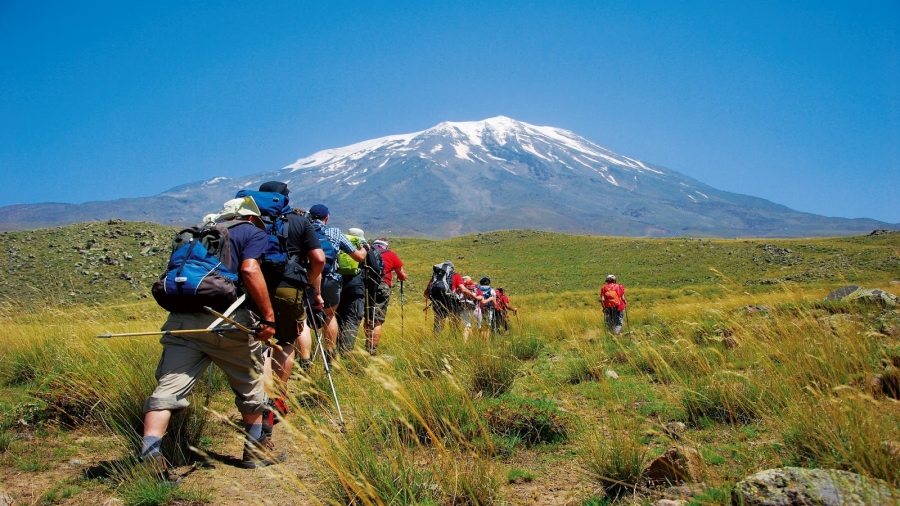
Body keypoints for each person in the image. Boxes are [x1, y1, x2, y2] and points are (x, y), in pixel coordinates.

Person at [140, 197, 280, 484]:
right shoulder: (251, 231)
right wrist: (268, 317)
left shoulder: (198, 232)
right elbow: (250, 269)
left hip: (182, 321)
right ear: (251, 217)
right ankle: (254, 452)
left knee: (167, 390)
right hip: (228, 322)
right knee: (250, 385)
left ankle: (149, 453)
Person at [253, 182, 325, 437]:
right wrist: (307, 282)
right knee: (285, 342)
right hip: (288, 288)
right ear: (284, 198)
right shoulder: (299, 221)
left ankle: (257, 399)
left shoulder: (248, 219)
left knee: (259, 345)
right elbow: (318, 259)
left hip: (252, 288)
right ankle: (275, 401)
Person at [307, 204, 367, 360]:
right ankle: (330, 353)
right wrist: (364, 249)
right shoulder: (334, 232)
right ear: (327, 218)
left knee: (303, 318)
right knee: (330, 315)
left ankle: (304, 358)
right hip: (330, 279)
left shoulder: (303, 229)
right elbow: (358, 257)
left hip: (306, 279)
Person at [363, 239, 408, 355]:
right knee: (377, 320)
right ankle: (372, 350)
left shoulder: (367, 252)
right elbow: (401, 275)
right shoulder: (390, 255)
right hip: (382, 286)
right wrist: (403, 277)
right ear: (386, 246)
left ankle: (367, 345)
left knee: (368, 317)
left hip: (366, 286)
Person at [335, 227, 368, 354]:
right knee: (352, 319)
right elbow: (375, 268)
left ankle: (333, 350)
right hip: (355, 285)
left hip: (337, 282)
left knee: (338, 317)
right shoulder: (363, 247)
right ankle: (346, 353)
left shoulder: (340, 242)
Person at [424, 261, 478, 335]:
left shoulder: (435, 277)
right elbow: (463, 289)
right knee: (454, 323)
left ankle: (436, 340)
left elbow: (426, 293)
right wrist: (475, 297)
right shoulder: (455, 275)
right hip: (452, 302)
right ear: (452, 268)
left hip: (437, 301)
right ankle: (454, 339)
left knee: (438, 323)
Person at [457, 275, 482, 340]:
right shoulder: (476, 289)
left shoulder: (459, 289)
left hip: (464, 309)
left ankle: (464, 343)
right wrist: (475, 298)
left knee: (467, 326)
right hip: (476, 309)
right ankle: (480, 341)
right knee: (479, 326)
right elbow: (481, 297)